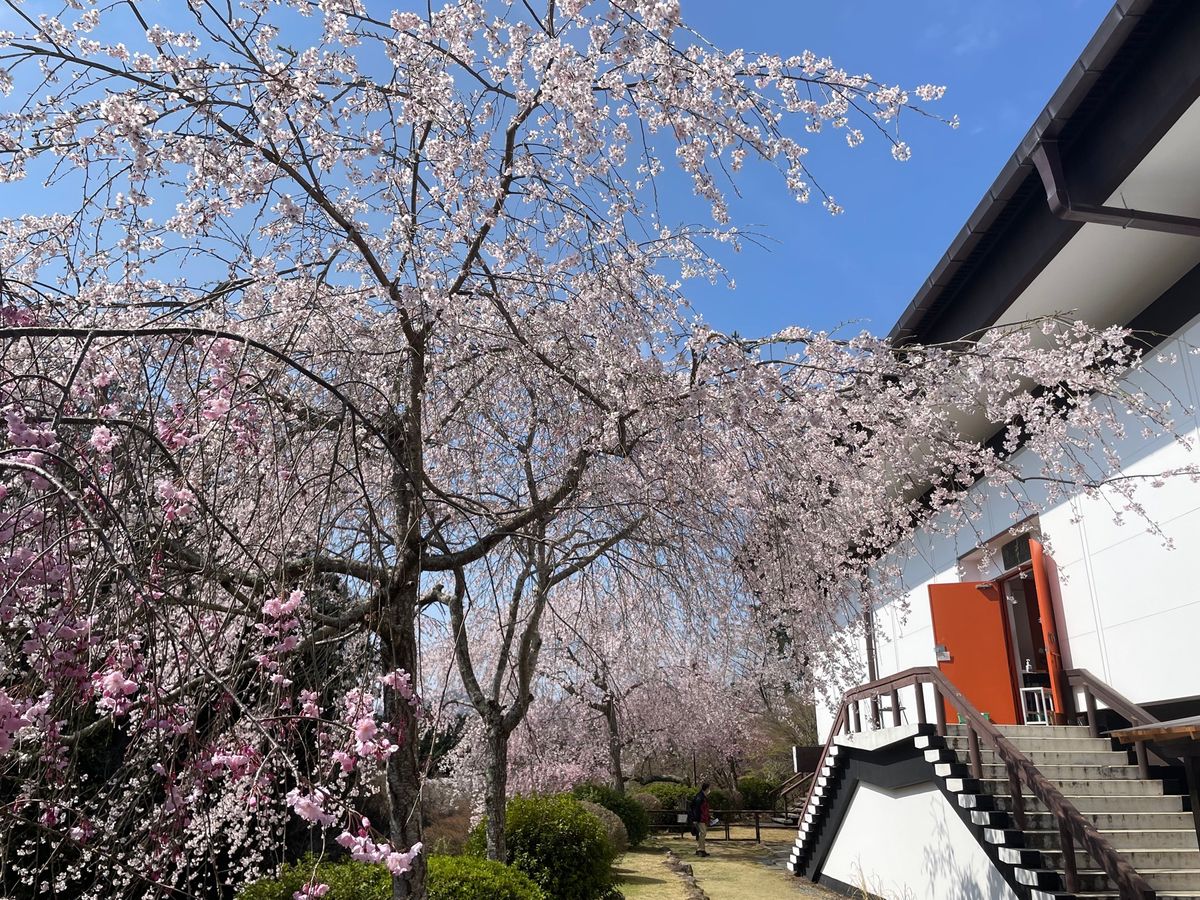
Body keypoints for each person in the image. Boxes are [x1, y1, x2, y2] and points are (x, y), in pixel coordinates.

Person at [687, 782, 712, 856]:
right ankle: (700, 850)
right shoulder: (699, 797)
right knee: (702, 833)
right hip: (700, 818)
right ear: (707, 789)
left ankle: (701, 849)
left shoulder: (702, 796)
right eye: (709, 788)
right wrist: (695, 819)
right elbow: (696, 809)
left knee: (702, 833)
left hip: (702, 818)